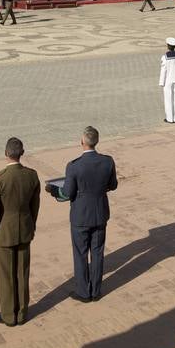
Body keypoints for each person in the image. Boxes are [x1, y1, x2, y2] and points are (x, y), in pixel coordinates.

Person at [46, 126, 117, 302]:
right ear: (97, 141)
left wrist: (53, 191)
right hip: (100, 213)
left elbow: (67, 193)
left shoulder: (74, 166)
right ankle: (96, 290)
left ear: (82, 142)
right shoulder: (108, 161)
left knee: (80, 253)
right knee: (98, 251)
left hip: (80, 216)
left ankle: (83, 292)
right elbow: (113, 185)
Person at [0, 137, 40, 326]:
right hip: (25, 229)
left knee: (6, 275)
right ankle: (22, 313)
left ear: (6, 154)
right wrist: (31, 225)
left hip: (3, 233)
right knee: (22, 273)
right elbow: (35, 205)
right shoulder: (32, 175)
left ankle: (9, 315)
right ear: (21, 153)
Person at [159, 36, 175, 123]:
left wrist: (161, 82)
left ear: (168, 46)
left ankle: (169, 118)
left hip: (168, 81)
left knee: (168, 99)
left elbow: (163, 71)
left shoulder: (165, 57)